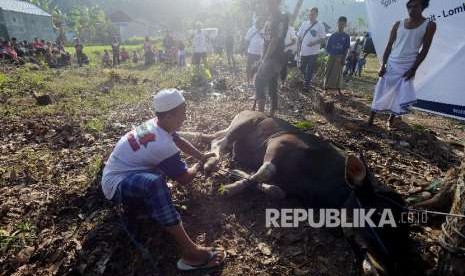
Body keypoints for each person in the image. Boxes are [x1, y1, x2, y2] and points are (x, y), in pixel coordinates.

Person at [101, 89, 226, 271]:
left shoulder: (156, 125)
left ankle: (150, 208)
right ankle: (191, 253)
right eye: (182, 113)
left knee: (157, 177)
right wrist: (201, 166)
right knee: (155, 183)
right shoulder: (161, 145)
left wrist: (201, 156)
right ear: (168, 115)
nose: (185, 117)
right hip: (116, 185)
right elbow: (184, 179)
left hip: (120, 172)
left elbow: (178, 139)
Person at [368, 0, 436, 130]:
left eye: (415, 6)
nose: (411, 9)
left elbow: (424, 50)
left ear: (423, 6)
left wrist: (413, 69)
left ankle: (390, 120)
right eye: (409, 6)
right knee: (381, 90)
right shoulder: (398, 24)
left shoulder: (430, 25)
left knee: (399, 94)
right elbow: (389, 46)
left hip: (408, 65)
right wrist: (383, 65)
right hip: (393, 63)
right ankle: (371, 118)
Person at [254, 0, 289, 117]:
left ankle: (261, 114)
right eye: (267, 3)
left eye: (271, 2)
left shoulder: (280, 18)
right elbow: (267, 40)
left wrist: (264, 59)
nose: (268, 5)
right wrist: (262, 56)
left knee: (259, 80)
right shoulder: (271, 18)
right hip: (272, 57)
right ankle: (272, 113)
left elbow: (274, 41)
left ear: (277, 3)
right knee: (272, 83)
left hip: (273, 58)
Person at [296, 7, 326, 91]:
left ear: (316, 15)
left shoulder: (320, 25)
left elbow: (323, 39)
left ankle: (306, 84)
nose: (311, 16)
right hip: (304, 51)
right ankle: (307, 79)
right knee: (302, 68)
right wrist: (298, 50)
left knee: (310, 68)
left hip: (314, 52)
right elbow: (299, 37)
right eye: (310, 14)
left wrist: (314, 43)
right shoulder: (304, 24)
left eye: (312, 15)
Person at [324, 16, 350, 95]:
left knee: (338, 73)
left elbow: (346, 48)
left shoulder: (346, 36)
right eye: (340, 23)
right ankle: (326, 88)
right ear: (337, 24)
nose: (341, 25)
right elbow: (327, 48)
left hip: (340, 56)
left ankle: (337, 89)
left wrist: (344, 59)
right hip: (331, 55)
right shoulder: (333, 35)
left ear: (345, 25)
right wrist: (328, 56)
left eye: (343, 24)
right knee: (328, 71)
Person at [244, 17, 265, 86]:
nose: (261, 24)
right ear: (257, 23)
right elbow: (246, 40)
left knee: (258, 68)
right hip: (251, 51)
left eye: (262, 23)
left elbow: (266, 40)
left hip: (260, 53)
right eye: (260, 23)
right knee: (249, 66)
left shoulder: (264, 30)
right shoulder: (251, 29)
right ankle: (248, 82)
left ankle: (255, 82)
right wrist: (245, 50)